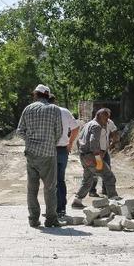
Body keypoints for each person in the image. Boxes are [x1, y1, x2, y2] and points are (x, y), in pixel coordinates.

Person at [16, 84, 63, 228]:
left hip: (31, 154)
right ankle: (51, 220)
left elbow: (19, 131)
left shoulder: (28, 109)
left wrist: (30, 140)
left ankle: (34, 220)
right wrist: (49, 141)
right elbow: (59, 132)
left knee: (32, 189)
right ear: (47, 95)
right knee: (50, 188)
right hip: (48, 154)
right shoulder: (54, 109)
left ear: (36, 94)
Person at [71, 108, 119, 208]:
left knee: (88, 180)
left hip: (84, 156)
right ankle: (114, 202)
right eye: (106, 118)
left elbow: (78, 140)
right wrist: (98, 158)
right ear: (101, 116)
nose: (107, 121)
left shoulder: (87, 124)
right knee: (109, 176)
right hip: (92, 157)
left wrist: (83, 155)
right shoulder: (96, 126)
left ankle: (77, 200)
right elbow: (93, 143)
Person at [50, 94, 80, 223]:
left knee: (51, 182)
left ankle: (54, 210)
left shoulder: (46, 112)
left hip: (50, 150)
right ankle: (61, 209)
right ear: (55, 100)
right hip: (63, 150)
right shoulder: (65, 111)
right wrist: (70, 143)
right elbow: (76, 128)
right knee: (60, 180)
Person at [88, 113, 118, 197]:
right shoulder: (94, 124)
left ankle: (106, 190)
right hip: (97, 153)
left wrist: (113, 141)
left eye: (108, 117)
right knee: (96, 170)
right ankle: (92, 190)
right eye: (105, 117)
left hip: (105, 151)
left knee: (107, 170)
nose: (107, 119)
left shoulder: (109, 122)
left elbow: (114, 132)